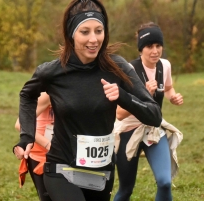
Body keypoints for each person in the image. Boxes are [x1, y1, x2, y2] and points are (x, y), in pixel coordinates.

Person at [13, 1, 162, 201]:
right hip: (61, 167)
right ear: (71, 34)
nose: (94, 39)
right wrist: (27, 136)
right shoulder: (52, 71)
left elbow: (154, 115)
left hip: (101, 170)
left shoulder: (117, 68)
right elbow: (27, 95)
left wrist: (123, 97)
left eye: (99, 30)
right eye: (85, 32)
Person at [113, 22, 184, 201]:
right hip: (128, 132)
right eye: (149, 46)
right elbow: (119, 114)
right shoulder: (128, 70)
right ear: (140, 49)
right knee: (126, 189)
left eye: (158, 45)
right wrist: (143, 94)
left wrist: (173, 97)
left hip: (153, 128)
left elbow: (168, 88)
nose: (155, 51)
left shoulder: (164, 66)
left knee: (165, 182)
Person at [14, 92, 54, 201]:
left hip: (70, 155)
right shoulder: (48, 93)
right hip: (42, 156)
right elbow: (20, 124)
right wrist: (50, 146)